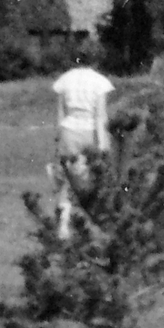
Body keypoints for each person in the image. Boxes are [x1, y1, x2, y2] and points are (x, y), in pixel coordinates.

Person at [51, 58, 114, 238]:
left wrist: (58, 138)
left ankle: (64, 223)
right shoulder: (99, 81)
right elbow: (100, 116)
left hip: (69, 131)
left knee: (67, 179)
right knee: (90, 179)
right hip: (89, 133)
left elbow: (60, 114)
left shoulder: (65, 79)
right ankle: (92, 222)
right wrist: (102, 145)